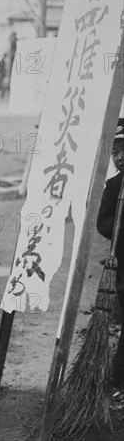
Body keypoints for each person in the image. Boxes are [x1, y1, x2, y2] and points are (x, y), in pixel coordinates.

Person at [97, 118, 124, 388]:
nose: (120, 158)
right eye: (115, 152)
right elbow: (102, 222)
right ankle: (118, 377)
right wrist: (119, 229)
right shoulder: (114, 186)